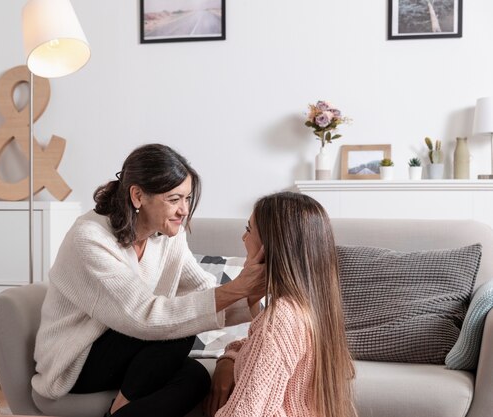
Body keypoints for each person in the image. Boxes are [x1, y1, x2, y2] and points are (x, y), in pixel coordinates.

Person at [32, 143, 265, 417]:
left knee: (196, 378)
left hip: (130, 350)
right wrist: (237, 288)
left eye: (187, 199)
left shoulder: (169, 235)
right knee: (179, 330)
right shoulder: (90, 237)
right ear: (138, 195)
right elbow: (143, 316)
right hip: (77, 359)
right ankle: (122, 405)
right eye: (174, 199)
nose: (184, 210)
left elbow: (203, 289)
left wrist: (252, 296)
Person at [205, 191, 356, 417]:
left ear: (271, 244)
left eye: (248, 229)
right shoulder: (311, 309)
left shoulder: (280, 320)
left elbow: (243, 413)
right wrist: (228, 359)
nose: (243, 238)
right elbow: (259, 351)